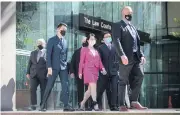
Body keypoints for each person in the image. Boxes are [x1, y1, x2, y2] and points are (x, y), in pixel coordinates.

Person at [112, 6, 147, 111]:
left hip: (135, 58)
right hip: (125, 58)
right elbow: (116, 41)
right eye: (129, 12)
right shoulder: (118, 25)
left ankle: (134, 101)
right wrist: (122, 55)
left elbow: (136, 43)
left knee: (140, 76)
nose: (131, 14)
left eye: (131, 12)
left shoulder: (132, 27)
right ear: (123, 13)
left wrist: (142, 55)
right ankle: (122, 104)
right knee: (123, 80)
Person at [40, 23, 74, 111]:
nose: (64, 31)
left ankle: (66, 105)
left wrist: (67, 67)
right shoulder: (51, 40)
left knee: (65, 86)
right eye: (63, 29)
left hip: (63, 68)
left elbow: (65, 56)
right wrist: (49, 67)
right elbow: (48, 55)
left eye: (65, 30)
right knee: (49, 86)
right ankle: (42, 105)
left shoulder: (65, 41)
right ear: (58, 29)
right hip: (53, 68)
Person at [78, 33, 107, 111]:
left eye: (94, 39)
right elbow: (81, 61)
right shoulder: (84, 49)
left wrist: (103, 69)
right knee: (93, 86)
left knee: (90, 90)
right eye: (91, 39)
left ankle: (82, 103)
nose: (92, 40)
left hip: (95, 71)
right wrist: (80, 72)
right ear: (87, 40)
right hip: (88, 70)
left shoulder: (96, 51)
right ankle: (95, 103)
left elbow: (99, 61)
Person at [97, 32, 119, 111]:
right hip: (104, 72)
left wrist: (117, 69)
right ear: (103, 39)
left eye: (109, 36)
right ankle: (97, 104)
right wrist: (101, 69)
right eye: (106, 37)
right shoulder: (101, 47)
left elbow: (117, 59)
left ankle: (113, 105)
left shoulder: (115, 47)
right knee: (103, 89)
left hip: (113, 72)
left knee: (114, 88)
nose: (108, 38)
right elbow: (99, 60)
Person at [26, 39, 47, 111]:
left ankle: (43, 106)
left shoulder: (47, 52)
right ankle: (33, 105)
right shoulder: (33, 53)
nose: (39, 44)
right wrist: (27, 72)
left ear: (44, 44)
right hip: (33, 74)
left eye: (41, 43)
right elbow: (29, 63)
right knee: (32, 89)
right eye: (38, 43)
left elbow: (49, 64)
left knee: (43, 90)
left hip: (43, 74)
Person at [70, 37, 87, 107]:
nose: (85, 42)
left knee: (88, 89)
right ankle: (80, 104)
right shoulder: (77, 52)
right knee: (80, 89)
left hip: (88, 74)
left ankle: (88, 105)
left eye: (86, 41)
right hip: (79, 73)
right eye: (84, 41)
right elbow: (72, 62)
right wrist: (72, 72)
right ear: (82, 42)